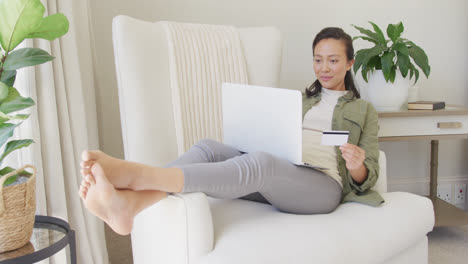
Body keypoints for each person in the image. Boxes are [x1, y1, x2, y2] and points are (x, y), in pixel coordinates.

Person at [78, 27, 384, 236]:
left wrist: (356, 165)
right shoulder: (297, 100)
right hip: (286, 171)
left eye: (333, 60)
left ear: (349, 62)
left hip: (323, 188)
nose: (324, 68)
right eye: (318, 60)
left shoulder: (363, 110)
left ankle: (136, 177)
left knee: (261, 163)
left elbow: (368, 174)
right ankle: (131, 205)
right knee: (210, 147)